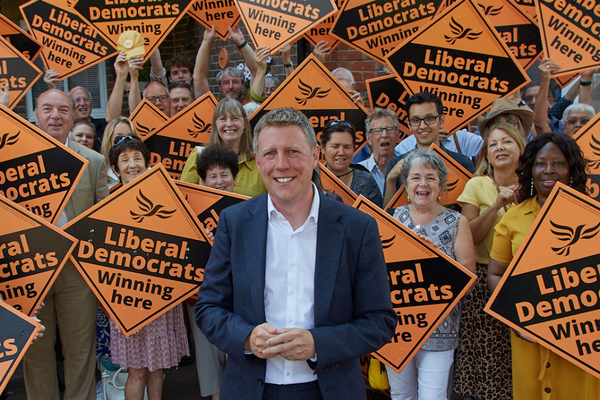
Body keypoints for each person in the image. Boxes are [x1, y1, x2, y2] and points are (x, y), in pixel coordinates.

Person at [195, 107, 396, 400]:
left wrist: (318, 344)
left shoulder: (357, 228)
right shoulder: (234, 222)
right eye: (270, 154)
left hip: (330, 391)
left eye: (292, 151)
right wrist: (246, 338)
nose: (281, 165)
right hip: (250, 390)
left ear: (315, 155)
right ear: (258, 161)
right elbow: (209, 308)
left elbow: (379, 321)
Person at [488, 132, 600, 399]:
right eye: (540, 163)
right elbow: (495, 273)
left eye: (558, 163)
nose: (548, 170)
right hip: (528, 336)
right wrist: (515, 319)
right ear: (531, 169)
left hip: (581, 338)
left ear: (571, 170)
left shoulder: (593, 217)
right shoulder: (513, 218)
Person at [23, 89, 109, 400]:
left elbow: (104, 220)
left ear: (73, 116)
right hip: (30, 270)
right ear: (36, 114)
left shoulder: (94, 161)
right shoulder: (15, 159)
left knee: (80, 352)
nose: (55, 116)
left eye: (62, 109)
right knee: (35, 352)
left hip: (77, 271)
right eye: (47, 109)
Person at [386, 149, 476, 400]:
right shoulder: (391, 218)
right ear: (405, 185)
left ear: (441, 185)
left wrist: (438, 262)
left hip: (440, 328)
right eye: (415, 177)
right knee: (400, 395)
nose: (422, 184)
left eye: (430, 178)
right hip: (398, 326)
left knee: (433, 396)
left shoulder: (457, 222)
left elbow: (469, 282)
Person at [108, 136, 189, 400]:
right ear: (116, 169)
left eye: (137, 158)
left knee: (157, 369)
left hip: (161, 294)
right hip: (127, 297)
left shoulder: (166, 198)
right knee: (138, 372)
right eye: (125, 160)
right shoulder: (107, 205)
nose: (132, 164)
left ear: (147, 163)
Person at [452, 122, 526, 400]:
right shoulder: (477, 184)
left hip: (524, 280)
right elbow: (469, 236)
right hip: (485, 281)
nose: (500, 148)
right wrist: (496, 205)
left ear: (520, 147)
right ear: (486, 154)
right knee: (486, 358)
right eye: (493, 144)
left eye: (506, 141)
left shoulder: (535, 185)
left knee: (519, 353)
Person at [186, 144, 240, 400]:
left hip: (239, 299)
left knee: (239, 359)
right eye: (212, 176)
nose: (219, 181)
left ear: (235, 178)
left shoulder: (250, 210)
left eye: (224, 174)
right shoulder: (189, 215)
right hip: (200, 298)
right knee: (209, 365)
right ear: (203, 181)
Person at [384, 92, 475, 206]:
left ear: (441, 121)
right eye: (416, 120)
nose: (423, 126)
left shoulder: (462, 163)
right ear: (409, 125)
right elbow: (387, 214)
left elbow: (472, 210)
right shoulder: (396, 165)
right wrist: (390, 180)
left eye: (429, 118)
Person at [180, 98, 267, 197]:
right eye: (223, 119)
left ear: (245, 124)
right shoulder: (198, 155)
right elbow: (184, 197)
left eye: (235, 118)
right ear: (215, 124)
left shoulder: (260, 160)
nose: (229, 124)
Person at [320, 120, 383, 207]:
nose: (341, 152)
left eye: (347, 147)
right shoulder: (312, 179)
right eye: (335, 147)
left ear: (354, 148)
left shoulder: (366, 181)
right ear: (322, 148)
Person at [531, 59, 594, 137]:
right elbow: (540, 124)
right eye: (572, 121)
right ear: (563, 127)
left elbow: (585, 109)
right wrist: (545, 80)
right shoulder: (557, 144)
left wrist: (586, 79)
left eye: (584, 121)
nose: (578, 125)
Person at [360, 108, 401, 195]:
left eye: (390, 129)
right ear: (368, 138)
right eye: (378, 130)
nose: (384, 135)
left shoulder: (407, 170)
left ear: (397, 135)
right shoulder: (358, 171)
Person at [101, 117, 138, 188]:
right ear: (108, 141)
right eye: (119, 138)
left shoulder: (147, 171)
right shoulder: (99, 175)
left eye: (130, 137)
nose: (125, 142)